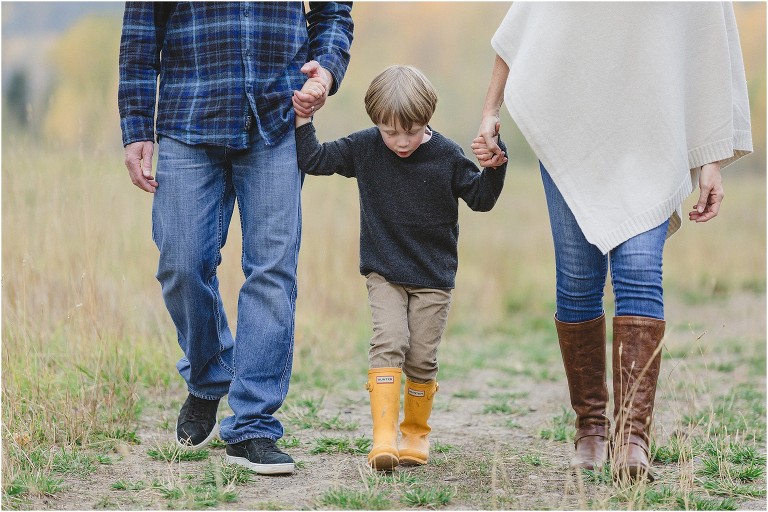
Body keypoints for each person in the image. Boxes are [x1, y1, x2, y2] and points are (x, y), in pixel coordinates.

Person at [473, 2, 752, 482]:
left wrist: (711, 158)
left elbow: (709, 53)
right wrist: (489, 111)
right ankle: (591, 430)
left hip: (652, 138)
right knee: (577, 279)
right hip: (572, 128)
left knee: (641, 272)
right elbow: (521, 31)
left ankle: (632, 438)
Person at [118, 2, 353, 475]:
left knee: (272, 269)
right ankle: (208, 375)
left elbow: (334, 12)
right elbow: (141, 33)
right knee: (181, 263)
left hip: (277, 117)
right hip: (189, 116)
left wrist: (324, 73)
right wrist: (136, 127)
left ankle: (253, 425)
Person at [293, 65, 508, 470]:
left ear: (428, 118)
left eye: (411, 131)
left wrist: (495, 165)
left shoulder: (446, 156)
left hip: (433, 278)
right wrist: (305, 116)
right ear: (376, 123)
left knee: (422, 359)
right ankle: (383, 438)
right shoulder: (365, 147)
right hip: (384, 273)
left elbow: (481, 199)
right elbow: (315, 158)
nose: (401, 141)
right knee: (388, 343)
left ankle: (414, 434)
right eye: (390, 132)